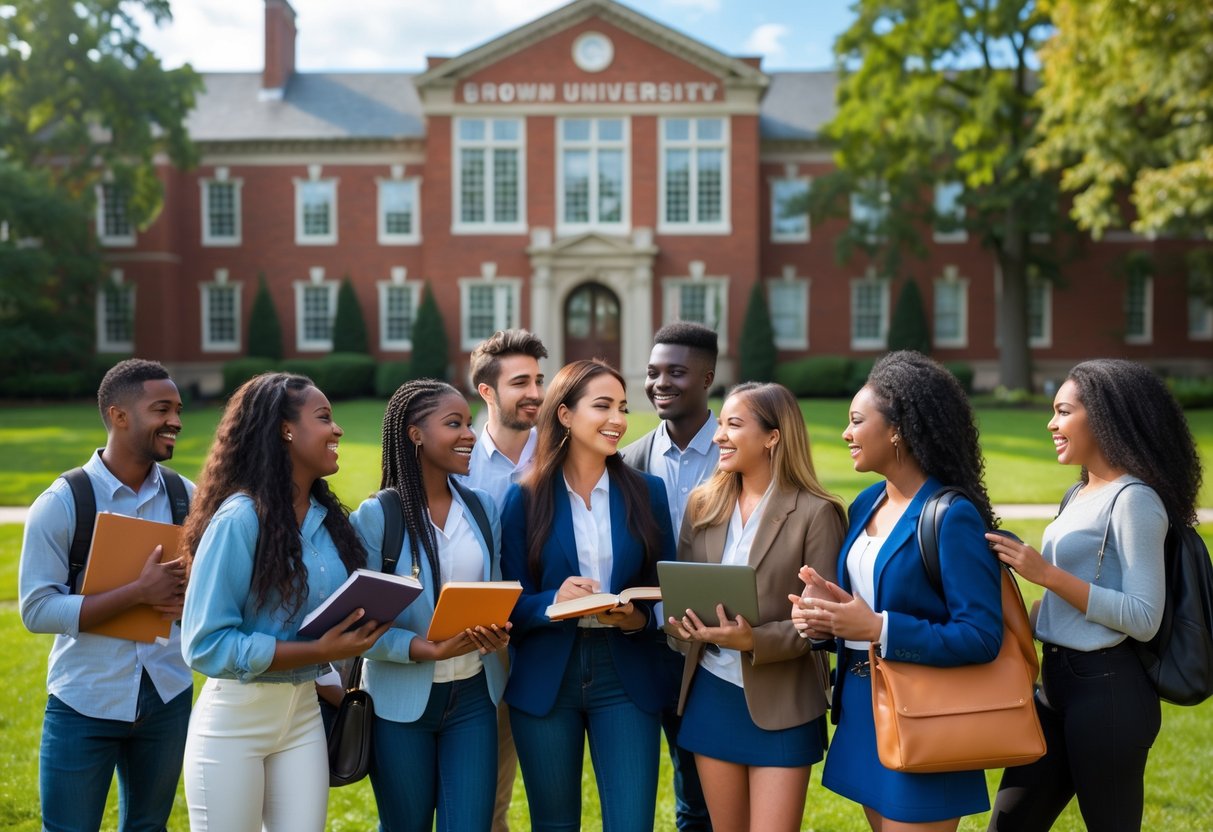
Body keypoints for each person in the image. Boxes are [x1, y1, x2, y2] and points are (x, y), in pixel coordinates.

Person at [987, 360, 1202, 832]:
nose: (1051, 424)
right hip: (1056, 686)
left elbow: (1144, 615)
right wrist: (1038, 609)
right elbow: (1090, 592)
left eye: (1063, 412)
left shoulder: (1135, 500)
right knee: (1009, 823)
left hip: (1107, 691)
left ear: (1103, 417)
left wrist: (1046, 575)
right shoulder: (1077, 493)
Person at [793, 350, 1003, 831]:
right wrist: (823, 620)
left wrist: (879, 627)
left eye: (856, 421)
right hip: (865, 710)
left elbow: (981, 635)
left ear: (897, 430)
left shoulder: (951, 516)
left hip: (926, 714)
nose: (846, 433)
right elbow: (862, 607)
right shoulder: (866, 502)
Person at [180, 373, 389, 831]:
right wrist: (317, 653)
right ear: (285, 429)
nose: (338, 429)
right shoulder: (240, 518)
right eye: (324, 418)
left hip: (304, 715)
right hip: (235, 721)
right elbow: (204, 644)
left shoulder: (330, 521)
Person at [500, 359, 676, 832]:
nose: (618, 419)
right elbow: (509, 600)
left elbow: (665, 592)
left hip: (626, 675)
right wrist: (553, 601)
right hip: (546, 679)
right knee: (553, 824)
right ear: (564, 414)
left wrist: (637, 619)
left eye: (622, 406)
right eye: (603, 406)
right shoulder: (523, 497)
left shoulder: (648, 493)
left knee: (631, 822)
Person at [19, 358, 194, 832]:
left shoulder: (188, 499)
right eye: (162, 409)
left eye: (178, 409)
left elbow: (207, 597)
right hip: (84, 701)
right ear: (119, 416)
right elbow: (35, 609)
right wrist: (138, 593)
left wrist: (186, 602)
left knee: (147, 828)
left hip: (167, 695)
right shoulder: (62, 503)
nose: (176, 421)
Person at [667, 382, 846, 832]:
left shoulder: (817, 512)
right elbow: (681, 598)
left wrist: (753, 639)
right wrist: (682, 627)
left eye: (733, 424)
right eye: (720, 424)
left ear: (773, 436)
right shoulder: (702, 504)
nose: (717, 435)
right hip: (712, 694)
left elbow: (822, 627)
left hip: (782, 701)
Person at [350, 379, 511, 831]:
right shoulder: (378, 515)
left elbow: (493, 591)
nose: (470, 434)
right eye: (454, 423)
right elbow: (355, 625)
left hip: (475, 698)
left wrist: (496, 629)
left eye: (468, 422)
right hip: (400, 704)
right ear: (415, 434)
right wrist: (425, 649)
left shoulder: (482, 509)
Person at [621, 322, 719, 832]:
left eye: (676, 372)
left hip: (725, 643)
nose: (660, 383)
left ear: (708, 377)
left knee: (714, 792)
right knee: (683, 790)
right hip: (653, 646)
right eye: (654, 372)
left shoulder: (740, 452)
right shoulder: (629, 461)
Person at [464, 328, 548, 832]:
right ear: (488, 392)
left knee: (538, 790)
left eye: (539, 380)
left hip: (544, 636)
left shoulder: (564, 454)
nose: (535, 393)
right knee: (476, 790)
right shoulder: (456, 457)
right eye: (521, 382)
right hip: (475, 639)